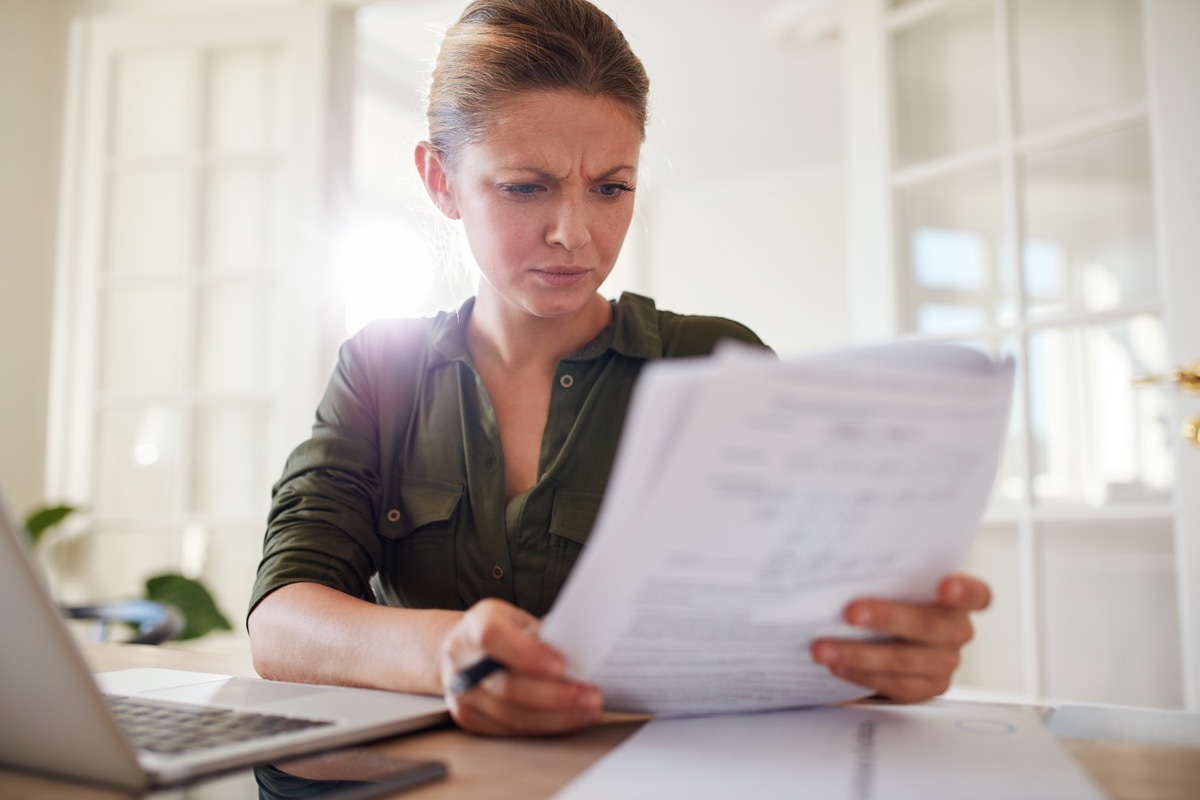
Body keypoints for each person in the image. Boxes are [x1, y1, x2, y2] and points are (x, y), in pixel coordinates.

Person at [247, 0, 991, 737]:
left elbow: (798, 623)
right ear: (441, 180)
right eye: (525, 187)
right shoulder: (380, 369)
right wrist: (449, 652)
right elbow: (281, 622)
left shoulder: (713, 361)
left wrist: (883, 661)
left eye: (611, 187)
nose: (574, 233)